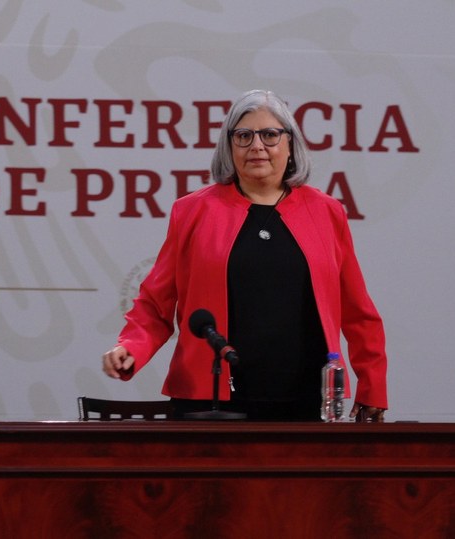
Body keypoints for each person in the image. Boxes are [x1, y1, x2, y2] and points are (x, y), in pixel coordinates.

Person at [102, 89, 387, 422]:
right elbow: (155, 302)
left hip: (308, 400)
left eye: (270, 135)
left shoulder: (326, 212)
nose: (257, 146)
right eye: (243, 136)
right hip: (210, 401)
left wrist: (373, 386)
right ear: (229, 145)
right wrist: (131, 347)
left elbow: (358, 312)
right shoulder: (192, 211)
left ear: (290, 144)